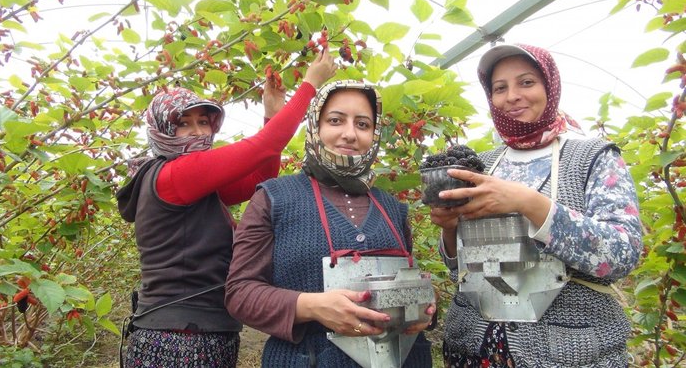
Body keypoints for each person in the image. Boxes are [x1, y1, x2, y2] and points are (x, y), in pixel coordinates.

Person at [115, 50, 336, 368]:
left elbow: (259, 177)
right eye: (184, 124)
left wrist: (272, 114)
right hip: (181, 339)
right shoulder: (176, 175)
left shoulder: (187, 183)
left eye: (203, 122)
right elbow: (265, 145)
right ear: (162, 130)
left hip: (193, 331)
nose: (199, 132)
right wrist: (310, 85)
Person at [430, 43, 643, 367]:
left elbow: (621, 254)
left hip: (565, 355)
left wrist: (529, 203)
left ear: (550, 86)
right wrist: (449, 231)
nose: (512, 95)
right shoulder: (482, 164)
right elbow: (463, 271)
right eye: (500, 88)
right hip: (473, 349)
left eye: (526, 82)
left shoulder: (593, 158)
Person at [225, 80, 434, 367]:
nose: (349, 134)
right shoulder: (274, 198)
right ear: (315, 126)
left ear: (374, 133)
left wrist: (422, 308)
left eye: (363, 124)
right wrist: (311, 306)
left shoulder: (392, 208)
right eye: (336, 120)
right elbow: (241, 293)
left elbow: (408, 285)